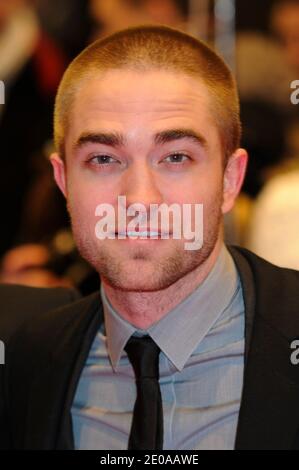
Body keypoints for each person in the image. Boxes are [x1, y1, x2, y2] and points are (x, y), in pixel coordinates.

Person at [1, 25, 299, 451]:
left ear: (230, 179)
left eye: (176, 157)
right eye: (103, 159)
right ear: (64, 181)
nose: (139, 199)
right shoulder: (28, 362)